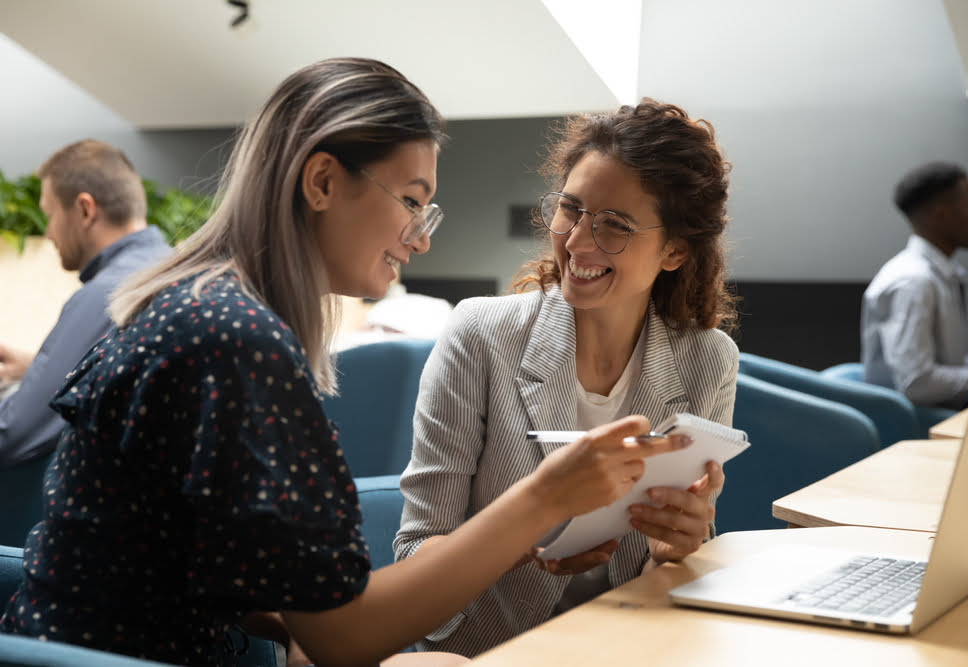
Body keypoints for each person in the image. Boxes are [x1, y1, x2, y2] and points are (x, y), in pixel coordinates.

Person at [0, 58, 690, 667]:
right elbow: (346, 637)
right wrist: (546, 496)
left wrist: (297, 620)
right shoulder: (237, 341)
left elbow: (183, 561)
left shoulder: (203, 306)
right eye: (413, 202)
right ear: (323, 181)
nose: (420, 239)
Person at [394, 99, 740, 656]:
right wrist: (527, 537)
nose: (577, 242)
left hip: (626, 648)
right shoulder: (481, 334)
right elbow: (413, 557)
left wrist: (677, 547)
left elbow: (677, 557)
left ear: (674, 250)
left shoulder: (707, 360)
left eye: (615, 226)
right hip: (482, 649)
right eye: (571, 209)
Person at [0, 140, 171, 468]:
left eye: (49, 215)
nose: (48, 234)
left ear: (84, 209)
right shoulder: (169, 268)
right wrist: (37, 367)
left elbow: (14, 434)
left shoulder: (109, 294)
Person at [861, 161, 968, 409]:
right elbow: (918, 383)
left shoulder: (938, 276)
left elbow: (950, 365)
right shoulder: (914, 282)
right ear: (941, 215)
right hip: (912, 428)